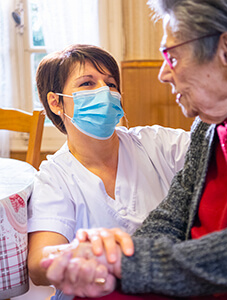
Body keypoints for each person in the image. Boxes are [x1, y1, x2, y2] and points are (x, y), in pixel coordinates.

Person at [40, 1, 227, 299]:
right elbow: (172, 214)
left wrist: (129, 263)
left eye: (171, 56)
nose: (163, 73)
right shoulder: (209, 125)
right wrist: (117, 256)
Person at [27, 44, 190, 300]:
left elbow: (214, 142)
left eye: (111, 84)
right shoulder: (54, 177)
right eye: (87, 84)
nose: (105, 92)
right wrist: (82, 253)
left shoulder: (155, 144)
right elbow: (38, 264)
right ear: (56, 102)